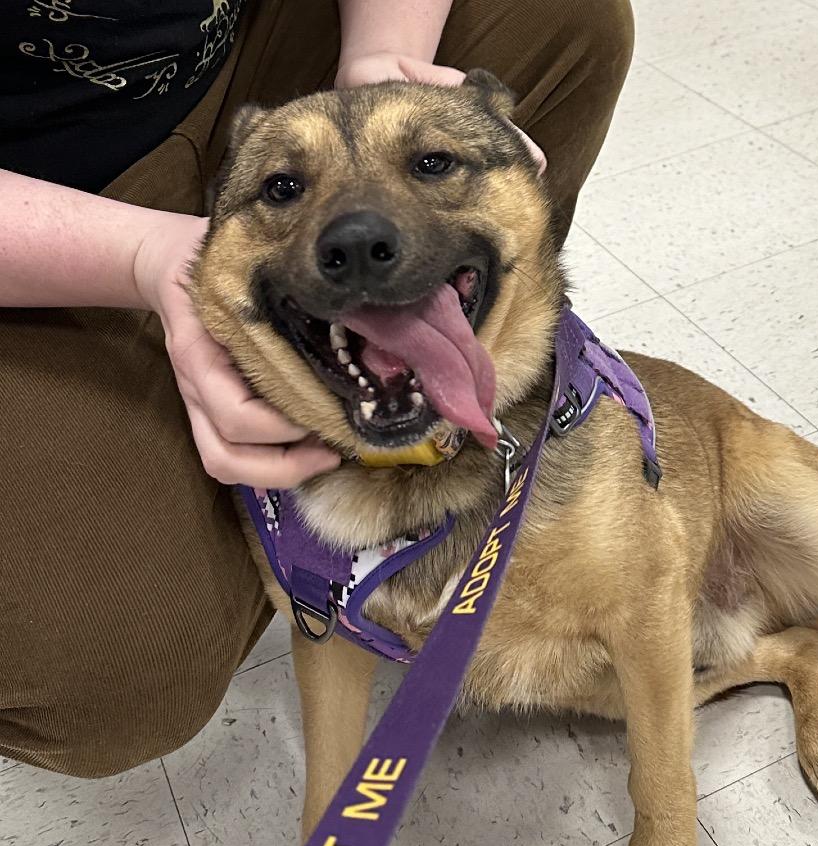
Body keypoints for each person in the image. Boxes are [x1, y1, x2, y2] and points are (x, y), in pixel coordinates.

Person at [0, 0, 633, 777]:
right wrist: (138, 255)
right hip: (35, 191)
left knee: (570, 20)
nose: (363, 232)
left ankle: (488, 399)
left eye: (430, 165)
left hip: (225, 53)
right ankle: (280, 508)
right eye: (284, 188)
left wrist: (383, 57)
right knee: (115, 675)